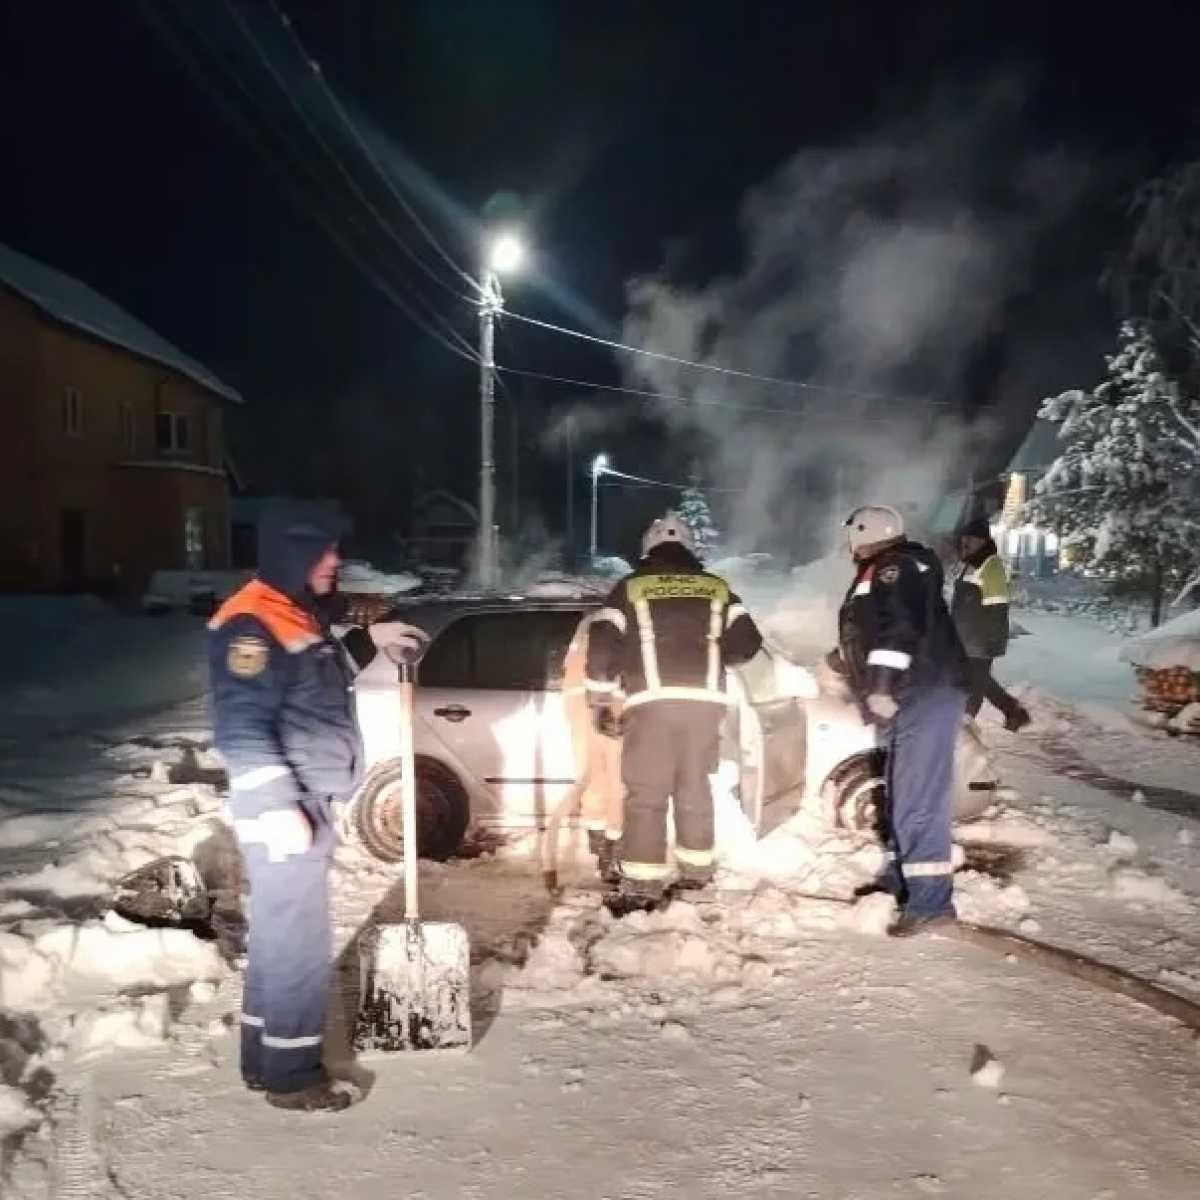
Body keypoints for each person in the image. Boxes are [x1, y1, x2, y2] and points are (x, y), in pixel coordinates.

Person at [208, 505, 405, 1112]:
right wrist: (276, 804)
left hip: (301, 799)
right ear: (292, 551)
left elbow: (315, 682)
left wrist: (372, 641)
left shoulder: (293, 616)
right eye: (323, 550)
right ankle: (292, 1076)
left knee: (278, 938)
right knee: (296, 944)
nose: (335, 560)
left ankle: (264, 1060)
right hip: (284, 804)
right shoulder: (250, 622)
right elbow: (241, 723)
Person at [585, 512, 763, 911]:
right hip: (705, 705)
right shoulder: (717, 588)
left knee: (647, 794)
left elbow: (602, 644)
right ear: (690, 548)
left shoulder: (631, 587)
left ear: (648, 548)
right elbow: (748, 644)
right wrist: (716, 656)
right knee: (694, 788)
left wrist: (599, 698)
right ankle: (696, 875)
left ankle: (643, 887)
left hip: (652, 703)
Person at [835, 504, 969, 936]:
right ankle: (902, 878)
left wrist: (880, 684)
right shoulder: (892, 567)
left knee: (918, 796)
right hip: (910, 689)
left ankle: (930, 900)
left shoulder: (894, 567)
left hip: (920, 689)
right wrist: (843, 664)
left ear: (863, 533)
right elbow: (875, 632)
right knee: (900, 791)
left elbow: (899, 629)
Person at [951, 517, 1030, 732]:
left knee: (975, 682)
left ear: (982, 541)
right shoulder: (970, 564)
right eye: (964, 538)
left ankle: (965, 724)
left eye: (971, 539)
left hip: (981, 639)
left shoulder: (991, 565)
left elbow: (997, 607)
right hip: (966, 637)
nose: (965, 543)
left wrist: (987, 642)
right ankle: (1014, 711)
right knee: (981, 680)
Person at [562, 612, 623, 882]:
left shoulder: (588, 622)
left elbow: (570, 666)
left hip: (578, 700)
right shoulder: (622, 619)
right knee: (619, 781)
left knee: (593, 777)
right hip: (608, 702)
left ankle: (601, 850)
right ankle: (614, 852)